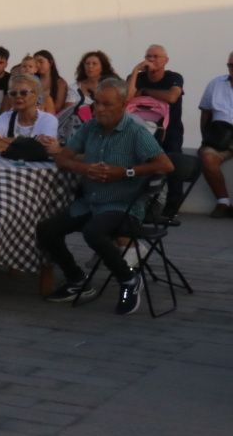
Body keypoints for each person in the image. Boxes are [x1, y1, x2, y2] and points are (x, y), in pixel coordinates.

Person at [39, 80, 174, 314]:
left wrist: (126, 172)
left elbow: (165, 165)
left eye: (107, 104)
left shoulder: (135, 130)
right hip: (91, 202)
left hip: (124, 205)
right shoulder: (90, 127)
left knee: (94, 231)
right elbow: (62, 157)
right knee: (46, 229)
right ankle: (77, 278)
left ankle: (128, 279)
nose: (99, 109)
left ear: (123, 105)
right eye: (97, 103)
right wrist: (85, 169)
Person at [130, 43, 187, 220]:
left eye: (156, 56)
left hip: (170, 131)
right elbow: (127, 98)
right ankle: (141, 205)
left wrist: (145, 91)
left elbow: (172, 97)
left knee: (173, 165)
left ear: (165, 61)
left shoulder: (174, 77)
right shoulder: (137, 77)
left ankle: (172, 208)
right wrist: (135, 71)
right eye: (148, 56)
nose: (151, 60)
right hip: (142, 130)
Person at [0, 74, 60, 152]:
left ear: (36, 95)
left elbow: (45, 149)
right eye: (13, 93)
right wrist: (29, 144)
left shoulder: (48, 120)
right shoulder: (6, 117)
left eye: (23, 93)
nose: (18, 96)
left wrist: (8, 141)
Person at [197, 51, 233, 217]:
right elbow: (205, 112)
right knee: (207, 157)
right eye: (230, 66)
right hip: (220, 135)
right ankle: (223, 201)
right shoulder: (216, 83)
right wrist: (205, 138)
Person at [72, 50, 118, 116]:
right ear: (83, 66)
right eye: (87, 63)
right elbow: (68, 111)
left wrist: (135, 71)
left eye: (94, 64)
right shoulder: (74, 87)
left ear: (102, 67)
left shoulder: (112, 85)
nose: (90, 66)